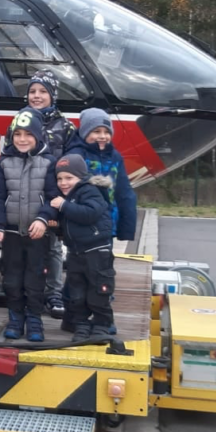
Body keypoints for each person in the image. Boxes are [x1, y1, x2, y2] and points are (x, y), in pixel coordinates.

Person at [63, 108, 137, 334]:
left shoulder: (115, 157)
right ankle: (74, 317)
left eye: (106, 131)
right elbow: (65, 187)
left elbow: (124, 191)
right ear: (85, 133)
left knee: (102, 273)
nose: (102, 136)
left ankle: (102, 317)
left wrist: (126, 225)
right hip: (81, 226)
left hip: (105, 228)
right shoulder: (76, 157)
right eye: (96, 131)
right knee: (77, 275)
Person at [0, 107, 59, 342]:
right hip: (10, 233)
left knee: (35, 279)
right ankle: (15, 318)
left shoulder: (49, 162)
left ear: (38, 136)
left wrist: (43, 219)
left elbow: (52, 197)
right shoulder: (2, 164)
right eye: (17, 134)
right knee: (11, 279)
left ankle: (34, 320)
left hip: (37, 234)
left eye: (28, 134)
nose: (22, 139)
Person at [26, 69, 76, 321]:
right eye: (32, 91)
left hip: (53, 194)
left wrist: (64, 193)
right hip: (24, 191)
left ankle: (53, 292)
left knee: (54, 246)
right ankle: (28, 289)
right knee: (26, 243)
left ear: (52, 94)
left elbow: (72, 163)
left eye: (42, 91)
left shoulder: (65, 126)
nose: (36, 96)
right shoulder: (20, 121)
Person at [49, 154, 116, 341]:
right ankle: (81, 326)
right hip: (76, 253)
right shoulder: (68, 198)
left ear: (81, 177)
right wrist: (56, 226)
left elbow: (89, 214)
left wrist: (63, 206)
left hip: (97, 251)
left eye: (69, 178)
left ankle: (102, 326)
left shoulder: (89, 191)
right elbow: (70, 225)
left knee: (99, 291)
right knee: (77, 293)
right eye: (60, 178)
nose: (63, 183)